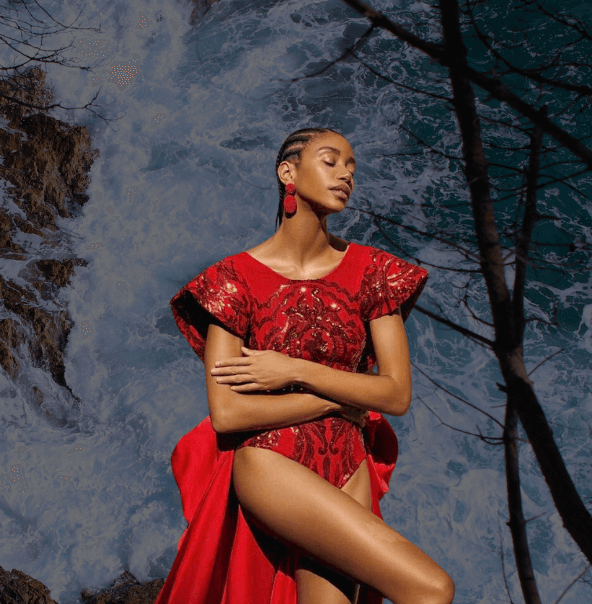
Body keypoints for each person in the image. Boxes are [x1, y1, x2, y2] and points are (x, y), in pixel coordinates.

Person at [154, 128, 454, 604]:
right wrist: (338, 398)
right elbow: (227, 414)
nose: (346, 175)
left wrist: (295, 369)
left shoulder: (375, 272)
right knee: (432, 588)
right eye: (331, 161)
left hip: (348, 461)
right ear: (287, 172)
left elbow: (395, 394)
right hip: (272, 461)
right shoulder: (231, 280)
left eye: (352, 167)